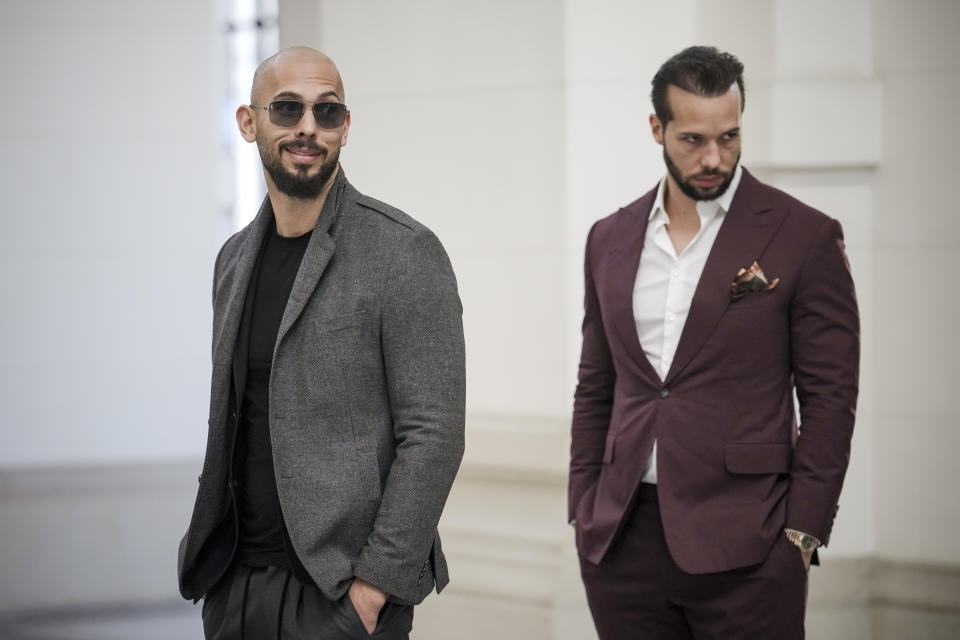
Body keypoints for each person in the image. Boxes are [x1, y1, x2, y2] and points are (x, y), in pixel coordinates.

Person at [569, 45, 859, 639]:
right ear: (657, 128)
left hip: (750, 546)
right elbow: (596, 383)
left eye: (729, 137)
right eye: (693, 140)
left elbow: (831, 396)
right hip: (623, 539)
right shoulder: (609, 238)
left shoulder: (802, 235)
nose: (714, 157)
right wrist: (583, 504)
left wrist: (802, 533)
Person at [177, 47, 465, 640]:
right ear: (248, 122)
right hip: (234, 588)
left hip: (339, 599)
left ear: (345, 128)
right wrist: (220, 589)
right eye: (287, 108)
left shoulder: (403, 252)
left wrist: (371, 592)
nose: (308, 126)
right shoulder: (231, 260)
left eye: (327, 112)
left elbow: (434, 434)